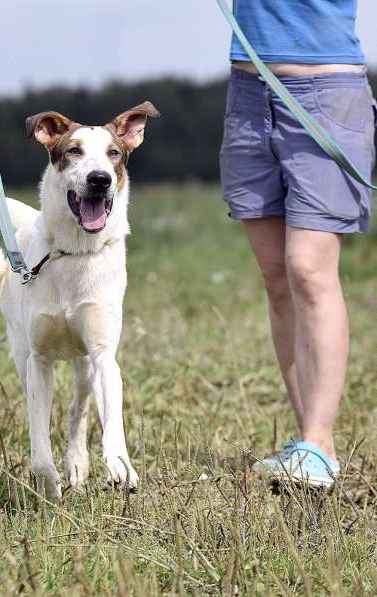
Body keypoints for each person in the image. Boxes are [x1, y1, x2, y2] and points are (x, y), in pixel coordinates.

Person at [220, 0, 376, 487]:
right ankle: (310, 445)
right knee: (277, 276)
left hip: (326, 90)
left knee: (307, 267)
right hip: (248, 91)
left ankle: (319, 444)